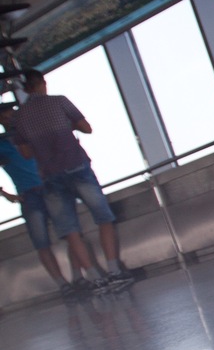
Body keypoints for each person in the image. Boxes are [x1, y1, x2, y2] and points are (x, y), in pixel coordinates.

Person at [13, 71, 134, 287]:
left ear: (25, 89)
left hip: (50, 176)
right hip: (77, 167)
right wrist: (66, 127)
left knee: (71, 231)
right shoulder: (59, 101)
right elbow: (87, 128)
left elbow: (26, 153)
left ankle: (95, 279)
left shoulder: (20, 117)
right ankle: (114, 271)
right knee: (103, 218)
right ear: (42, 83)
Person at [0, 101, 100, 296]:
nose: (10, 118)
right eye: (6, 115)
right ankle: (64, 285)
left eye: (11, 114)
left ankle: (78, 277)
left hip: (51, 186)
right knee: (42, 243)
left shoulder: (29, 135)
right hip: (30, 195)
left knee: (71, 234)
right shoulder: (3, 145)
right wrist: (6, 194)